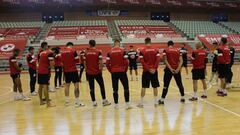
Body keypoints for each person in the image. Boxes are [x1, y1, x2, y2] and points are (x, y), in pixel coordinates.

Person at [106, 39, 132, 109]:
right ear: (119, 44)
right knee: (126, 88)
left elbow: (107, 64)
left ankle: (116, 105)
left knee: (115, 89)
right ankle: (127, 105)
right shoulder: (123, 51)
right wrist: (125, 69)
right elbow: (126, 62)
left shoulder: (109, 52)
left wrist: (111, 71)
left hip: (114, 72)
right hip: (122, 71)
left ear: (114, 44)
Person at [84, 40, 111, 107]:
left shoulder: (86, 52)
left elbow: (84, 62)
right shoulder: (98, 52)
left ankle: (94, 102)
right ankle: (104, 101)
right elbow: (101, 62)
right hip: (97, 72)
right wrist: (101, 70)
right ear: (95, 44)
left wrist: (86, 70)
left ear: (89, 44)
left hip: (89, 72)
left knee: (91, 87)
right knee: (101, 86)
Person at [159, 40, 185, 105]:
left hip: (168, 70)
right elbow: (181, 60)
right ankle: (182, 97)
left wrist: (170, 68)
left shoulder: (166, 50)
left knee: (166, 85)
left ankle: (162, 100)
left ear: (168, 45)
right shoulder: (178, 50)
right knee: (179, 84)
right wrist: (178, 69)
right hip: (177, 69)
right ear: (173, 45)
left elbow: (165, 60)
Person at [137, 37, 161, 108]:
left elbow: (141, 61)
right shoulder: (156, 50)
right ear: (150, 41)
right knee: (155, 86)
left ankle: (141, 103)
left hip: (146, 71)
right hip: (154, 71)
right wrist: (154, 68)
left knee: (143, 87)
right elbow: (158, 59)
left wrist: (148, 69)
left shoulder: (142, 51)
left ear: (145, 42)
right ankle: (156, 103)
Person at [61, 42, 85, 107]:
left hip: (66, 71)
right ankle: (77, 102)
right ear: (71, 45)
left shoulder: (62, 52)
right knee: (76, 85)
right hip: (73, 70)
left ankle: (66, 102)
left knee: (67, 85)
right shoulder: (73, 51)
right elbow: (77, 60)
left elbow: (61, 61)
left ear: (66, 46)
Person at [38, 42, 55, 107]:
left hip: (39, 71)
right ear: (45, 46)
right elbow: (52, 64)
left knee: (40, 86)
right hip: (45, 71)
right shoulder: (49, 53)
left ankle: (41, 102)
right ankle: (48, 103)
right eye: (47, 46)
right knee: (45, 87)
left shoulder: (40, 53)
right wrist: (50, 67)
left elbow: (39, 62)